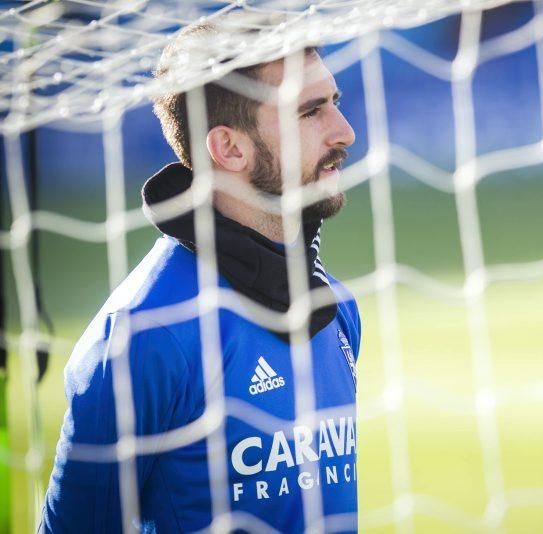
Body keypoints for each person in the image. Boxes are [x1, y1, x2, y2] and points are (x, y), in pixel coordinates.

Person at [40, 22, 360, 533]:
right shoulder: (142, 336)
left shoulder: (335, 307)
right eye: (310, 111)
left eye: (333, 102)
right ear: (230, 149)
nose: (345, 132)